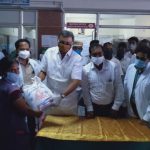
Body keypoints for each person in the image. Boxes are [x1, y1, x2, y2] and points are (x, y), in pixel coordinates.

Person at [0, 57, 42, 150]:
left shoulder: (3, 84)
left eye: (17, 69)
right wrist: (39, 113)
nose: (16, 73)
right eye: (12, 70)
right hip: (14, 129)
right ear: (3, 72)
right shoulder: (12, 90)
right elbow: (25, 110)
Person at [39, 30, 82, 115]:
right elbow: (43, 71)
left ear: (72, 43)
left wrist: (61, 96)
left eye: (68, 43)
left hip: (68, 103)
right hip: (49, 99)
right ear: (58, 41)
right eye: (62, 42)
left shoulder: (77, 58)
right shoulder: (49, 52)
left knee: (68, 128)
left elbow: (76, 81)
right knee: (49, 126)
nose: (64, 45)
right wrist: (37, 81)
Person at [82, 44, 125, 118]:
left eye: (100, 54)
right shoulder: (86, 70)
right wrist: (89, 108)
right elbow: (85, 91)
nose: (98, 56)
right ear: (90, 56)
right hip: (93, 108)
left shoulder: (113, 67)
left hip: (110, 107)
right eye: (94, 54)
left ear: (103, 54)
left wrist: (116, 106)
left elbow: (119, 87)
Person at [124, 41, 150, 127]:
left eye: (142, 59)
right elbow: (126, 86)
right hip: (131, 112)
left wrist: (147, 117)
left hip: (145, 114)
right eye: (137, 57)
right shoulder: (131, 68)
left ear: (148, 59)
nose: (139, 60)